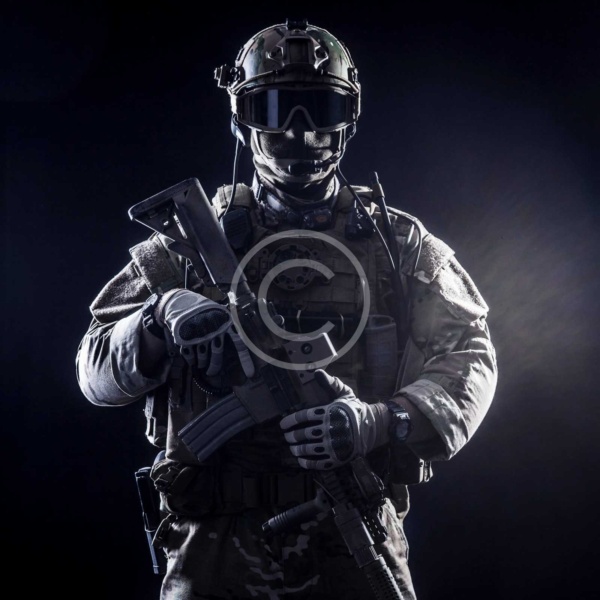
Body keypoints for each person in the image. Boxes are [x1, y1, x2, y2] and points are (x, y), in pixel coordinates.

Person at [76, 19, 497, 600]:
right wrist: (158, 318)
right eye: (275, 110)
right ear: (242, 121)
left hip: (356, 527)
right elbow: (93, 372)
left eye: (320, 110)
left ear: (348, 119)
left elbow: (472, 357)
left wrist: (381, 421)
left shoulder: (397, 245)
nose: (301, 133)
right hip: (217, 548)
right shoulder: (186, 247)